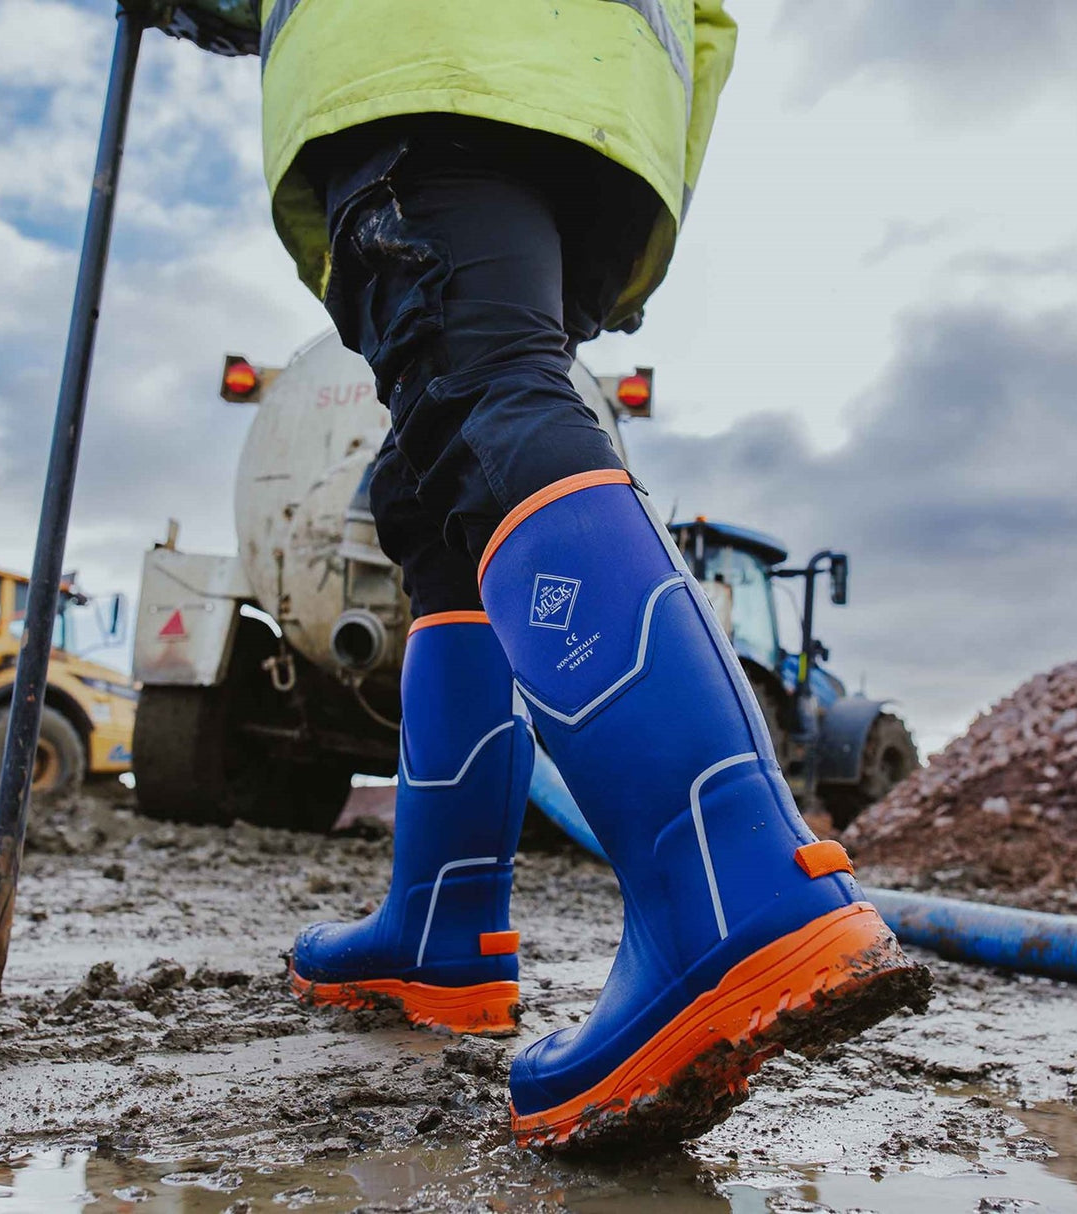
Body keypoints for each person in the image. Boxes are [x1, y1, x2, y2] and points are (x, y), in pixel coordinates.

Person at [179, 0, 930, 1151]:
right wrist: (637, 177)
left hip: (427, 59)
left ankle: (727, 888)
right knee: (435, 502)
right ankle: (441, 923)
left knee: (481, 393)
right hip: (598, 114)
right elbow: (709, 26)